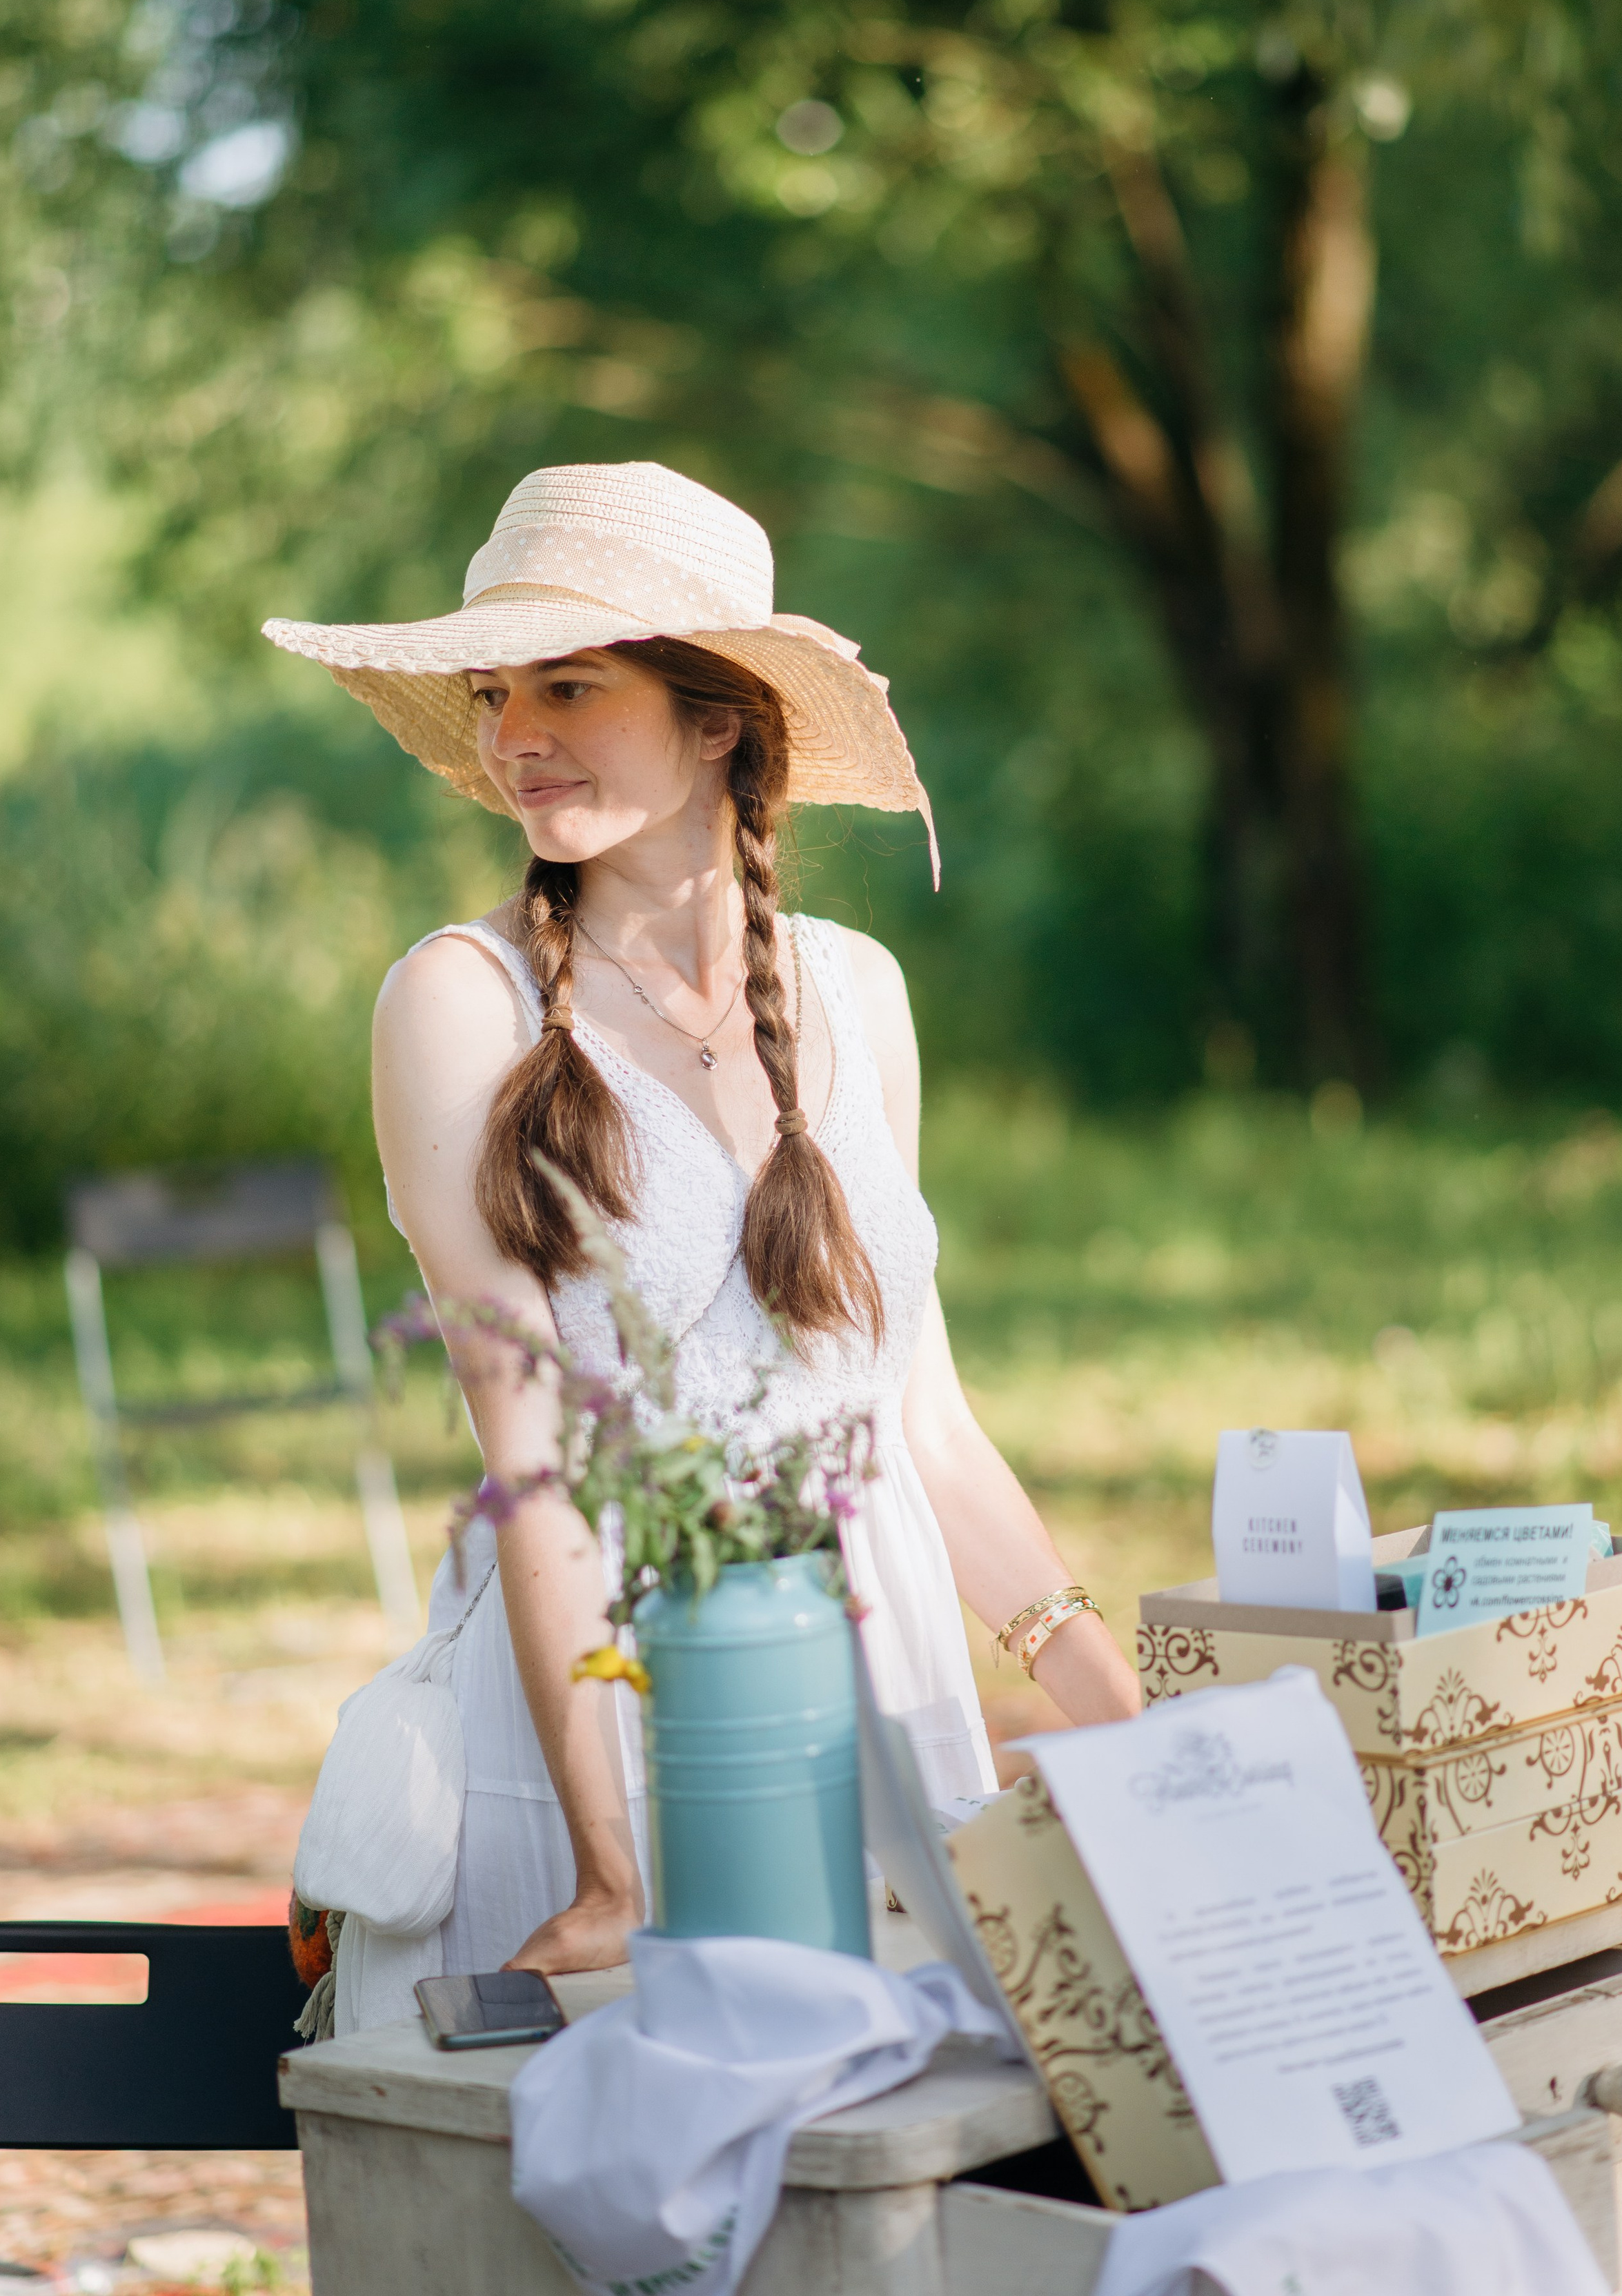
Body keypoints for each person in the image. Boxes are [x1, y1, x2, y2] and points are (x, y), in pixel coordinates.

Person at [266, 462, 1140, 2025]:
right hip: (602, 1705)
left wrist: (1118, 1714)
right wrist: (608, 1871)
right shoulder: (462, 1004)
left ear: (716, 714)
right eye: (493, 692)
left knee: (894, 2195)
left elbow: (916, 1418)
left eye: (570, 684)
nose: (514, 734)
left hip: (879, 1681)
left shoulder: (856, 990)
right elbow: (528, 1465)